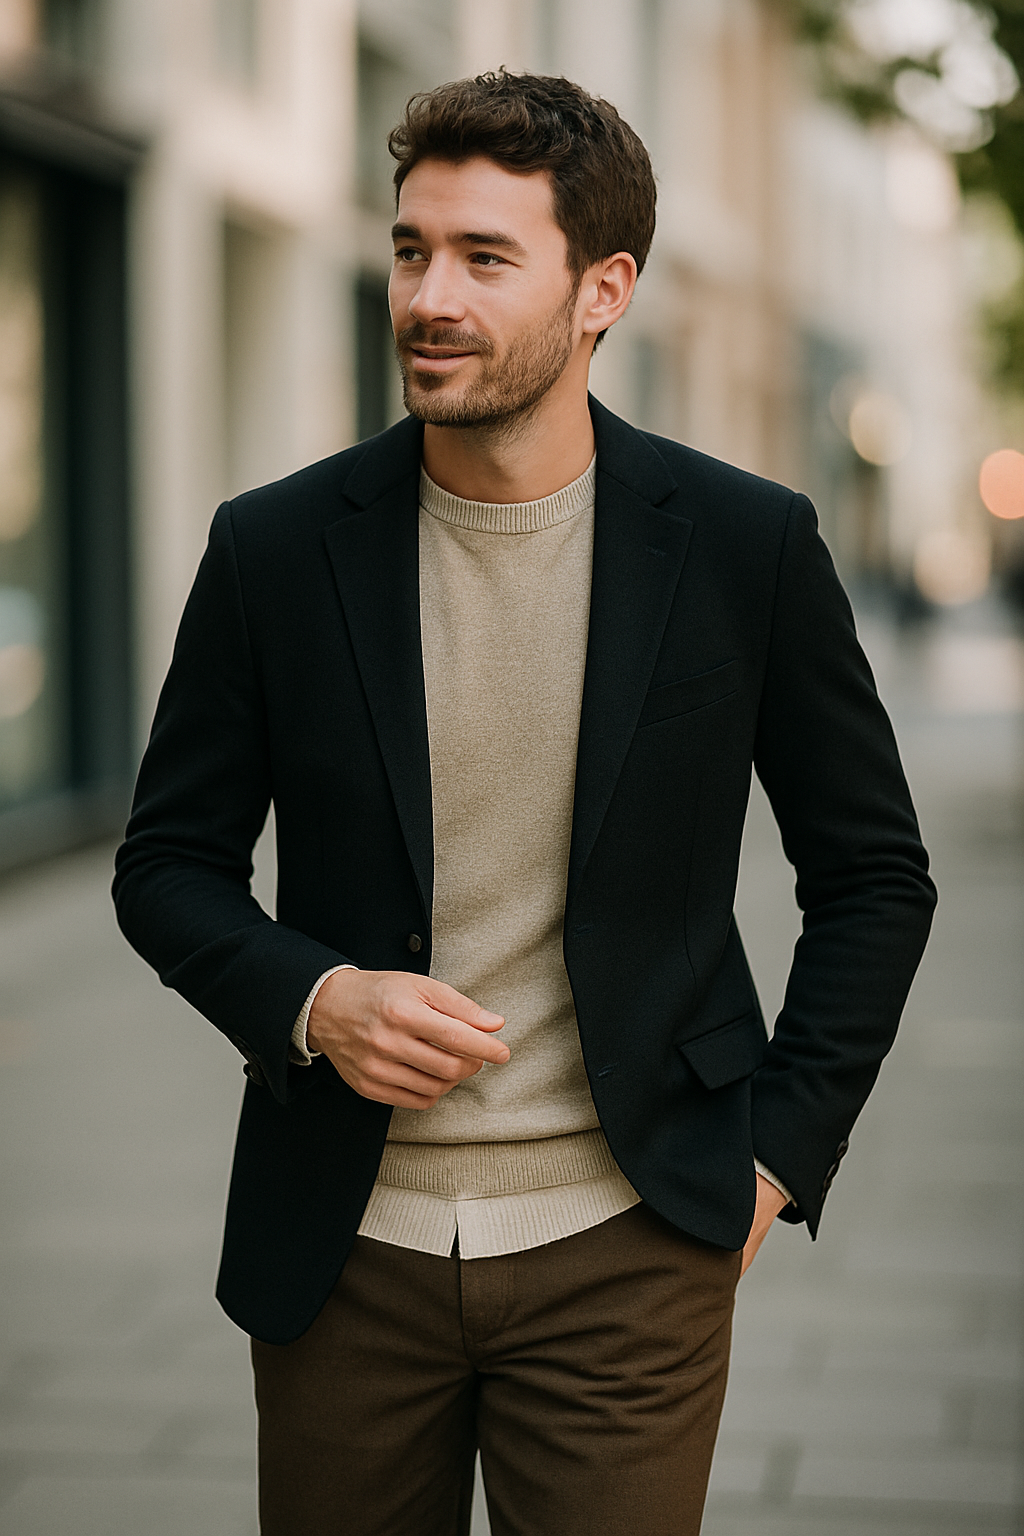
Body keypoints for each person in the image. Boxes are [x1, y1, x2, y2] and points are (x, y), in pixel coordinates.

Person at [113, 70, 936, 1536]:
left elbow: (873, 874)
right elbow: (168, 862)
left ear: (602, 288)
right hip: (340, 1254)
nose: (431, 296)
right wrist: (314, 1000)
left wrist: (776, 1159)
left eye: (486, 259)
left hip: (631, 1244)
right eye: (413, 249)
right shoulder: (276, 550)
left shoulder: (747, 547)